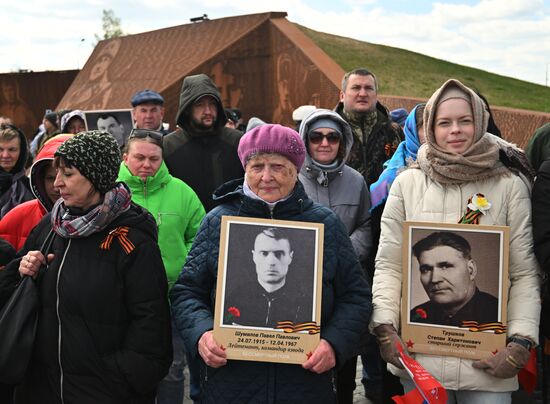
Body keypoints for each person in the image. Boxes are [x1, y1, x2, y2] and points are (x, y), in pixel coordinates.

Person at [170, 124, 371, 403]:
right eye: (257, 166)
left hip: (304, 384)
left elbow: (356, 296)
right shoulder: (218, 221)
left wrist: (334, 344)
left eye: (278, 166)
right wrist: (202, 334)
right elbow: (187, 292)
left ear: (296, 169)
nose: (267, 177)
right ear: (245, 169)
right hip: (231, 383)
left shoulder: (324, 224)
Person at [371, 79, 540, 401]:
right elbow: (390, 265)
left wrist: (520, 342)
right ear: (430, 128)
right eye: (444, 122)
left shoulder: (510, 186)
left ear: (481, 122)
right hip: (420, 362)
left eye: (465, 120)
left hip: (489, 365)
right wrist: (384, 327)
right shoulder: (407, 183)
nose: (455, 130)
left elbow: (523, 273)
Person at [0, 130, 172, 402]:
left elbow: (151, 327)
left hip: (103, 392)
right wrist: (23, 268)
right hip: (42, 389)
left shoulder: (131, 240)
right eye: (57, 174)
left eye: (68, 174)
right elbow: (14, 294)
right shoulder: (50, 227)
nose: (57, 183)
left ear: (96, 177)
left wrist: (116, 379)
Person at [117, 128, 205, 404]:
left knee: (172, 369)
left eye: (153, 159)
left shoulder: (181, 192)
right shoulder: (108, 191)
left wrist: (183, 263)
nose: (146, 165)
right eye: (139, 157)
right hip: (121, 301)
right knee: (124, 367)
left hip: (171, 298)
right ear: (125, 157)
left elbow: (200, 236)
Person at [298, 108, 372, 403]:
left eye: (333, 137)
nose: (325, 143)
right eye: (317, 137)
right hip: (301, 287)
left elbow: (366, 224)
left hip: (344, 284)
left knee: (343, 367)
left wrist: (344, 253)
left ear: (343, 142)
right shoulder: (292, 179)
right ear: (306, 140)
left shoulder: (356, 181)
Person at [163, 73, 244, 212]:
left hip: (230, 225)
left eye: (212, 104)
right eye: (200, 105)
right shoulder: (169, 146)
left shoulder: (237, 141)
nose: (208, 111)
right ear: (187, 109)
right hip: (187, 228)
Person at [223, 227, 312, 328]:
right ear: (254, 256)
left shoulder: (305, 303)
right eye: (264, 253)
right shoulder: (235, 298)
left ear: (290, 257)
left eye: (279, 254)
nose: (271, 262)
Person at [410, 231, 498, 326]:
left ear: (471, 270)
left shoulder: (498, 315)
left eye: (445, 266)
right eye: (426, 269)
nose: (434, 279)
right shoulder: (415, 317)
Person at [0, 134, 72, 251]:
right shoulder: (17, 217)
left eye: (67, 176)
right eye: (50, 178)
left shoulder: (105, 224)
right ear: (39, 179)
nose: (57, 185)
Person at [335, 68, 403, 186]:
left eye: (368, 88)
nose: (362, 94)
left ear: (376, 96)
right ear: (342, 95)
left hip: (384, 203)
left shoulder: (393, 132)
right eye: (356, 88)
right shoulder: (329, 132)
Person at [0, 124, 33, 218]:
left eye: (12, 150)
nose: (5, 155)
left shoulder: (30, 187)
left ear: (21, 152)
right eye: (0, 149)